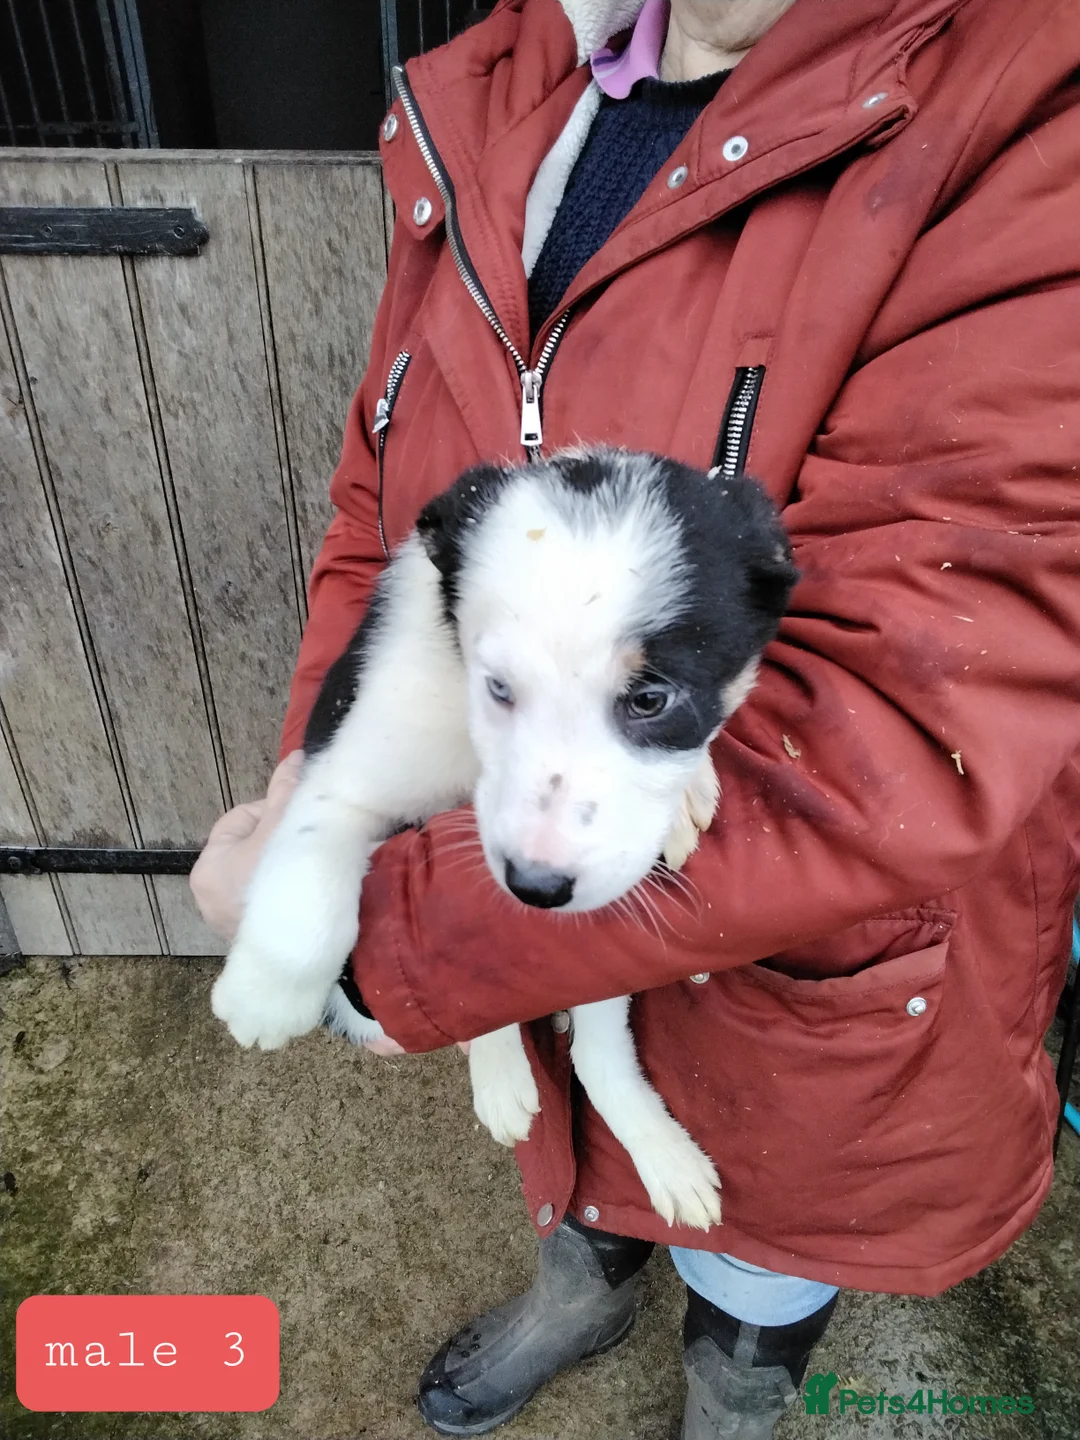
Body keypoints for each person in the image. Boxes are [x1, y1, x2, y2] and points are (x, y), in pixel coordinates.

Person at [189, 1, 1080, 1435]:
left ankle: (739, 1384)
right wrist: (321, 779)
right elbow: (389, 517)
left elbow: (908, 712)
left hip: (816, 970)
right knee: (558, 1106)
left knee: (763, 1221)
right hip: (520, 951)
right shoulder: (501, 79)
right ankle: (584, 1280)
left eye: (653, 696)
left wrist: (376, 944)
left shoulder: (1032, 99)